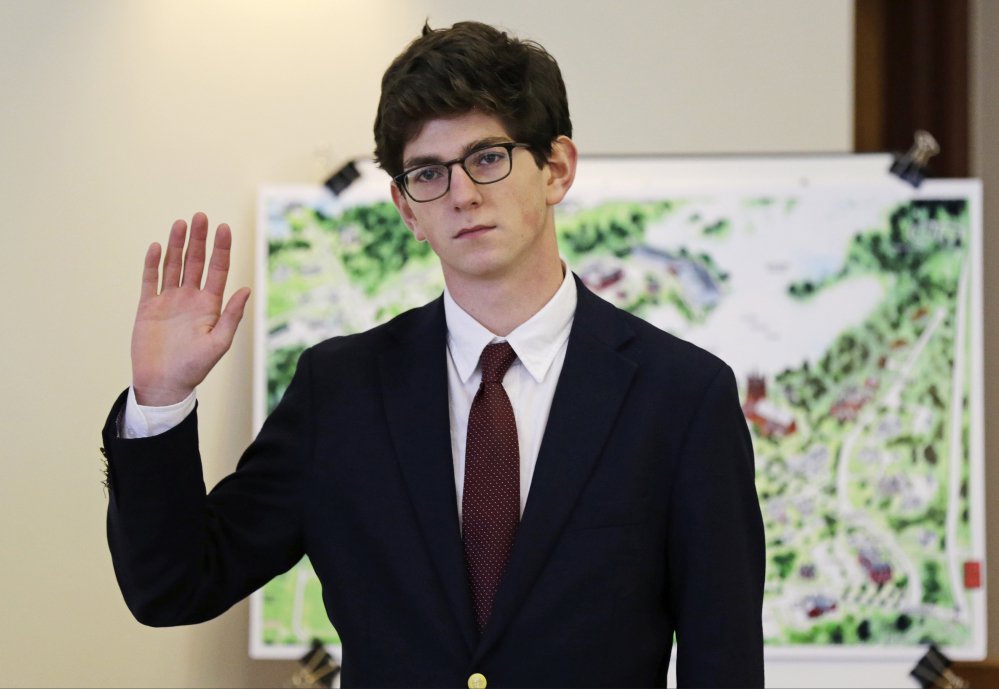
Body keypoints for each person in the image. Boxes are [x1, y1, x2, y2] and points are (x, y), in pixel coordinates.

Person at [102, 21, 765, 688]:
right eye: (427, 173)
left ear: (556, 168)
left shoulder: (679, 396)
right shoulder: (339, 390)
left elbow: (724, 660)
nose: (461, 194)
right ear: (405, 208)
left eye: (487, 157)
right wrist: (159, 399)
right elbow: (175, 585)